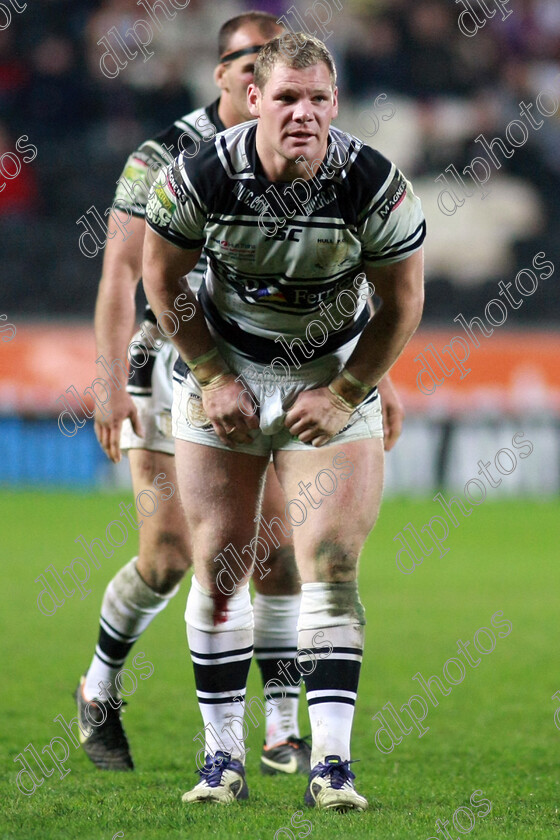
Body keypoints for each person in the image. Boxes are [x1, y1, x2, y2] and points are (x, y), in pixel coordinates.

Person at [142, 34, 425, 811]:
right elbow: (160, 278)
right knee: (222, 561)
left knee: (329, 558)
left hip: (326, 373)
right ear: (255, 99)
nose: (305, 113)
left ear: (336, 104)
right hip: (224, 368)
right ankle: (221, 762)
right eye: (289, 97)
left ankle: (330, 767)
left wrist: (346, 391)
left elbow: (403, 303)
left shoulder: (373, 183)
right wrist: (208, 374)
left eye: (320, 99)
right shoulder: (199, 174)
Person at [77, 11, 318, 777]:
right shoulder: (164, 156)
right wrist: (109, 383)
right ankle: (98, 687)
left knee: (276, 548)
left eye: (271, 59)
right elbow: (120, 273)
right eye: (246, 59)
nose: (259, 72)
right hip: (167, 367)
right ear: (220, 74)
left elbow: (340, 277)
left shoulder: (303, 153)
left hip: (264, 368)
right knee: (173, 554)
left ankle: (282, 730)